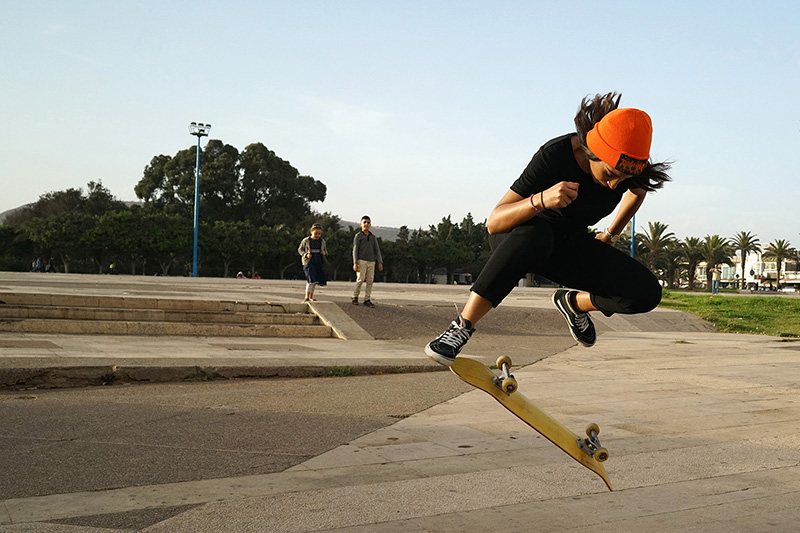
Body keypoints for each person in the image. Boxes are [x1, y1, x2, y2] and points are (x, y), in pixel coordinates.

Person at [425, 92, 672, 366]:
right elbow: (494, 222)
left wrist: (611, 234)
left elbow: (637, 193)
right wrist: (540, 200)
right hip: (518, 238)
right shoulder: (555, 156)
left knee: (646, 291)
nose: (615, 185)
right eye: (610, 175)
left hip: (568, 245)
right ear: (592, 152)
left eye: (624, 178)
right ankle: (461, 327)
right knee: (536, 235)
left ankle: (574, 304)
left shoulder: (627, 167)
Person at [352, 215, 383, 308]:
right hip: (361, 260)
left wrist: (380, 261)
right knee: (360, 279)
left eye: (368, 222)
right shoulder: (358, 236)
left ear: (370, 225)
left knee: (370, 280)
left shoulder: (373, 237)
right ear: (361, 224)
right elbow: (355, 249)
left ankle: (367, 299)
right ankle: (355, 297)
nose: (366, 224)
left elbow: (377, 250)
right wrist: (355, 262)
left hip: (371, 261)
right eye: (364, 222)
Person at [298, 223, 328, 302]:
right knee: (310, 280)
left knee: (315, 281)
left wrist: (324, 253)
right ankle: (306, 296)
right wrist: (305, 255)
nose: (317, 235)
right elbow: (300, 250)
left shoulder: (322, 241)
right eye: (316, 233)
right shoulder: (306, 240)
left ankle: (311, 296)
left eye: (319, 234)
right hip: (309, 262)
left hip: (318, 261)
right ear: (311, 232)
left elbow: (325, 250)